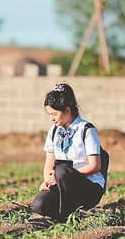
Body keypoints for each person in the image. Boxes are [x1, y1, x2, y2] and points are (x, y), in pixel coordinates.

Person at [31, 83, 105, 222]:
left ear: (66, 110)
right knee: (39, 205)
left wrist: (66, 175)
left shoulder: (87, 129)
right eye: (49, 114)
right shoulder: (53, 131)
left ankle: (64, 216)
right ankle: (66, 215)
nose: (51, 118)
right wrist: (48, 180)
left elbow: (95, 166)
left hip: (89, 186)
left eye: (54, 114)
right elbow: (49, 164)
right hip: (61, 181)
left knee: (62, 170)